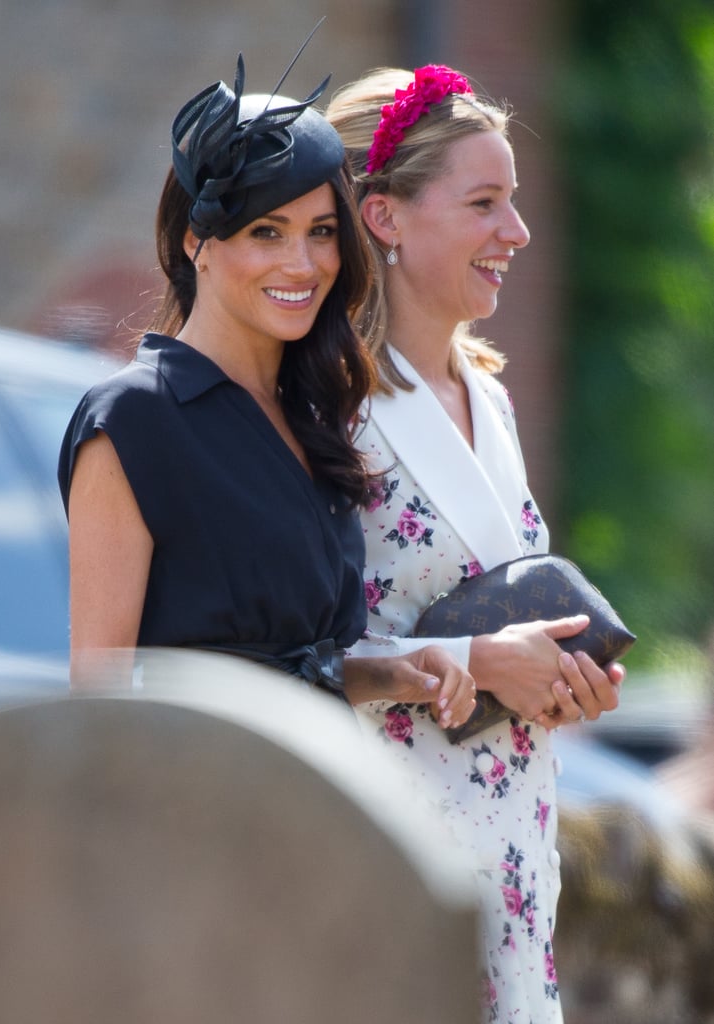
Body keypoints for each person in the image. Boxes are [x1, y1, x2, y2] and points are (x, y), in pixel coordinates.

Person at [327, 65, 625, 1022]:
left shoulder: (487, 396)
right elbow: (286, 650)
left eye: (516, 202)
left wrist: (560, 674)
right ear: (385, 218)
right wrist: (481, 660)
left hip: (512, 853)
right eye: (485, 203)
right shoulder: (327, 411)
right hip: (393, 861)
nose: (517, 234)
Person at [57, 55, 476, 730]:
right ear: (198, 242)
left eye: (321, 232)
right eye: (266, 232)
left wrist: (392, 672)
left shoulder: (314, 416)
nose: (301, 264)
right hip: (193, 809)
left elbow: (296, 664)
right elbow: (98, 696)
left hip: (314, 798)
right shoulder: (133, 418)